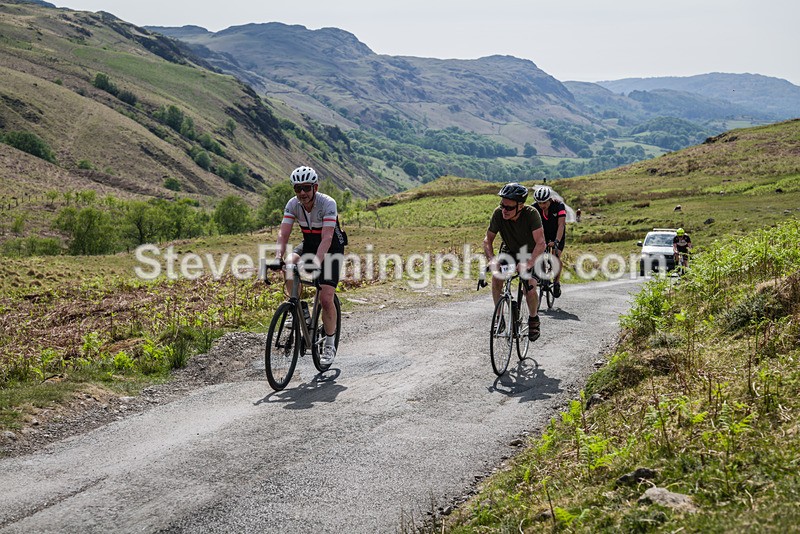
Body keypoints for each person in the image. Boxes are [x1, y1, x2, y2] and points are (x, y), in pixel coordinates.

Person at [274, 166, 346, 365]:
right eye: (298, 189)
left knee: (325, 297)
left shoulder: (327, 204)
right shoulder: (293, 204)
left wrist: (316, 263)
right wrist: (277, 256)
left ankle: (330, 343)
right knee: (287, 265)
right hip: (309, 243)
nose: (302, 193)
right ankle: (299, 308)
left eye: (306, 188)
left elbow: (327, 237)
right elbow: (284, 233)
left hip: (331, 248)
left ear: (315, 187)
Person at [483, 183, 547, 341]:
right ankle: (500, 318)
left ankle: (533, 319)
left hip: (532, 253)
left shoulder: (531, 214)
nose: (504, 210)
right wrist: (492, 260)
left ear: (520, 206)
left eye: (509, 208)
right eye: (502, 205)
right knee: (497, 277)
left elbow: (541, 243)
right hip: (510, 252)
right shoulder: (499, 214)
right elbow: (487, 240)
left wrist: (529, 264)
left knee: (529, 287)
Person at [531, 186, 567, 297]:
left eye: (544, 203)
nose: (542, 205)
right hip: (543, 234)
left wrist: (556, 241)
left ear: (550, 199)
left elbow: (561, 225)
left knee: (555, 258)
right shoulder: (534, 208)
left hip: (557, 233)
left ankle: (556, 282)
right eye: (539, 203)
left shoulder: (559, 206)